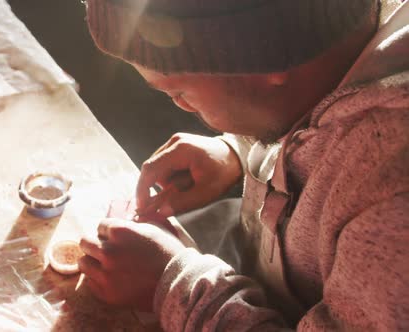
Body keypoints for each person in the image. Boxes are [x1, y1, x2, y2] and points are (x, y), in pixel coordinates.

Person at [78, 0, 409, 330]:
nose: (181, 106)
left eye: (179, 93)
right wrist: (237, 150)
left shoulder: (393, 210)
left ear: (268, 61)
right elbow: (308, 101)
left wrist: (174, 285)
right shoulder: (340, 36)